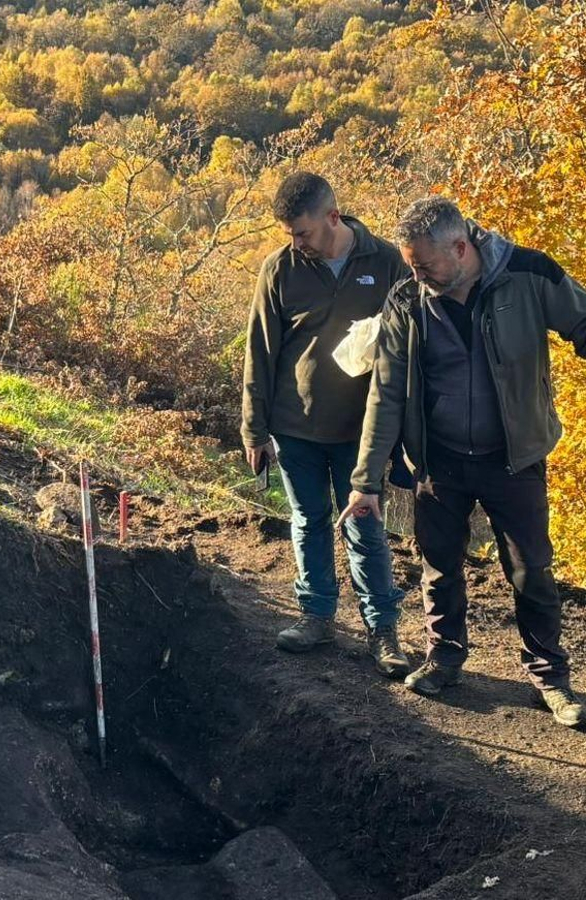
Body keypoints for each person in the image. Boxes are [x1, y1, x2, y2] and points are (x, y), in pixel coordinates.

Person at [338, 196, 586, 726]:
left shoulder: (529, 273)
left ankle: (550, 680)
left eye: (424, 263)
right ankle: (444, 660)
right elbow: (387, 393)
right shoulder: (407, 300)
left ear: (461, 246)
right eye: (410, 263)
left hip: (514, 460)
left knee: (530, 570)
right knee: (439, 567)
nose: (416, 273)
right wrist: (366, 483)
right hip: (439, 461)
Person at [241, 172, 410, 676]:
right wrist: (254, 428)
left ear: (333, 218)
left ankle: (383, 631)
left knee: (365, 526)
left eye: (303, 233)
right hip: (296, 428)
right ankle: (316, 617)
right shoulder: (279, 270)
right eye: (290, 234)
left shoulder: (386, 263)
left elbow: (413, 349)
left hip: (364, 430)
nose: (297, 243)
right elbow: (260, 351)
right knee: (308, 521)